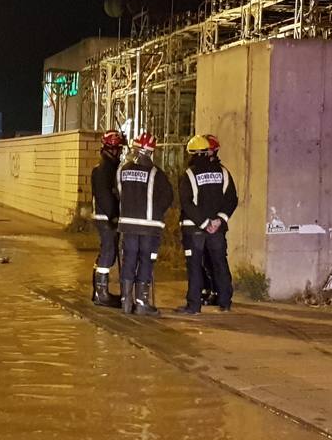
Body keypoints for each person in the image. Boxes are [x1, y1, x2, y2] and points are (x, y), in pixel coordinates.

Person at [174, 134, 238, 314]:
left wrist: (203, 223)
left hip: (194, 229)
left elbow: (187, 203)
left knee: (194, 266)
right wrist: (219, 220)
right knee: (219, 262)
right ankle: (225, 302)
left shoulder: (189, 174)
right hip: (217, 229)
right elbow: (231, 199)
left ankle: (194, 305)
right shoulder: (223, 172)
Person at [115, 132, 173, 316]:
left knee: (129, 260)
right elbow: (167, 198)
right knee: (146, 261)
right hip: (150, 227)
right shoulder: (158, 174)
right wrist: (155, 212)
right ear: (152, 152)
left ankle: (125, 301)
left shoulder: (123, 170)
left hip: (128, 225)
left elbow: (118, 192)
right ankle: (142, 303)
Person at [89, 130, 126, 307]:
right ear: (112, 149)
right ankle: (101, 293)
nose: (120, 152)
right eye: (119, 149)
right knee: (108, 253)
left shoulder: (108, 166)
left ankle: (98, 290)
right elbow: (104, 195)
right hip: (106, 217)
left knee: (107, 253)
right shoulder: (104, 169)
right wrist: (113, 216)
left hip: (107, 216)